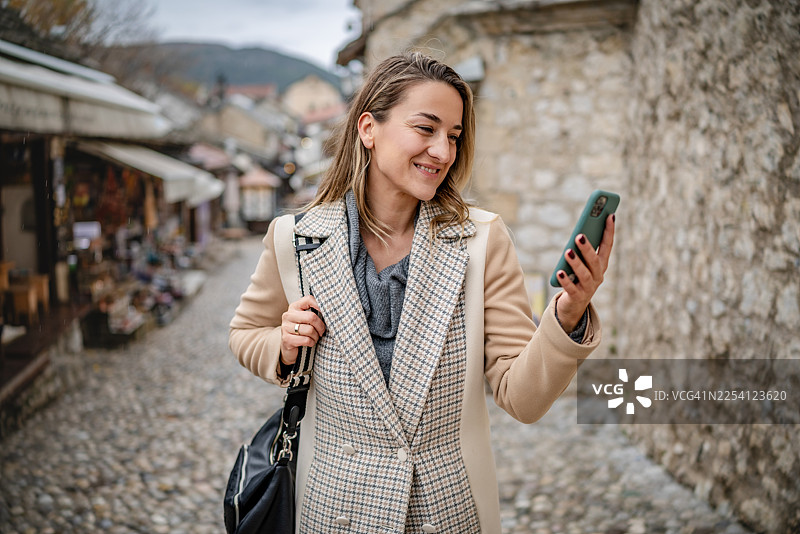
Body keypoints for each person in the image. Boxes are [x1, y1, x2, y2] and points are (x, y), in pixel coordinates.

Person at [229, 52, 615, 533]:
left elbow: (524, 399)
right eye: (425, 128)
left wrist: (568, 313)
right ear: (368, 129)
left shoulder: (482, 241)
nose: (443, 151)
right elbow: (245, 333)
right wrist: (282, 347)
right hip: (330, 507)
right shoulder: (296, 238)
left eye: (453, 136)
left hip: (445, 513)